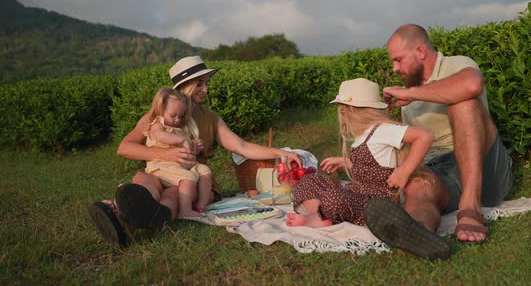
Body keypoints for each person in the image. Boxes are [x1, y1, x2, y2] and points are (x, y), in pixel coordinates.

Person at [88, 56, 301, 247]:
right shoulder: (157, 115)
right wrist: (164, 155)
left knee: (173, 194)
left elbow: (241, 146)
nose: (206, 89)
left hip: (195, 179)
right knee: (145, 182)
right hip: (161, 171)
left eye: (206, 84)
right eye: (199, 84)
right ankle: (130, 213)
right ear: (183, 86)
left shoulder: (211, 118)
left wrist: (279, 152)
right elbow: (125, 147)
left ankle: (125, 219)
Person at [365, 24, 513, 246]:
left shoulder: (457, 64)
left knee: (463, 103)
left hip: (486, 169)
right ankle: (420, 234)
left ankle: (471, 208)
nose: (394, 68)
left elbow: (472, 85)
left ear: (420, 52)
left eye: (398, 60)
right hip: (443, 174)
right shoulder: (408, 99)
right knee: (417, 186)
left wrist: (412, 94)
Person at [287, 78, 451, 260]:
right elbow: (369, 166)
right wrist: (345, 162)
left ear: (349, 111)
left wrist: (404, 170)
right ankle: (321, 214)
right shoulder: (363, 136)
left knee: (334, 198)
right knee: (310, 180)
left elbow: (424, 136)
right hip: (359, 193)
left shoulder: (383, 130)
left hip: (376, 203)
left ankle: (320, 217)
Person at [144, 87, 212, 219]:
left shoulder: (179, 129)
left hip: (181, 165)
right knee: (188, 177)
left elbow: (186, 151)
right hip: (162, 166)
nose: (177, 120)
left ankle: (202, 205)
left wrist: (194, 148)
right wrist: (182, 140)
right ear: (160, 110)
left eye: (180, 116)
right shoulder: (157, 125)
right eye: (173, 115)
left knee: (205, 171)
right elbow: (160, 136)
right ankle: (185, 211)